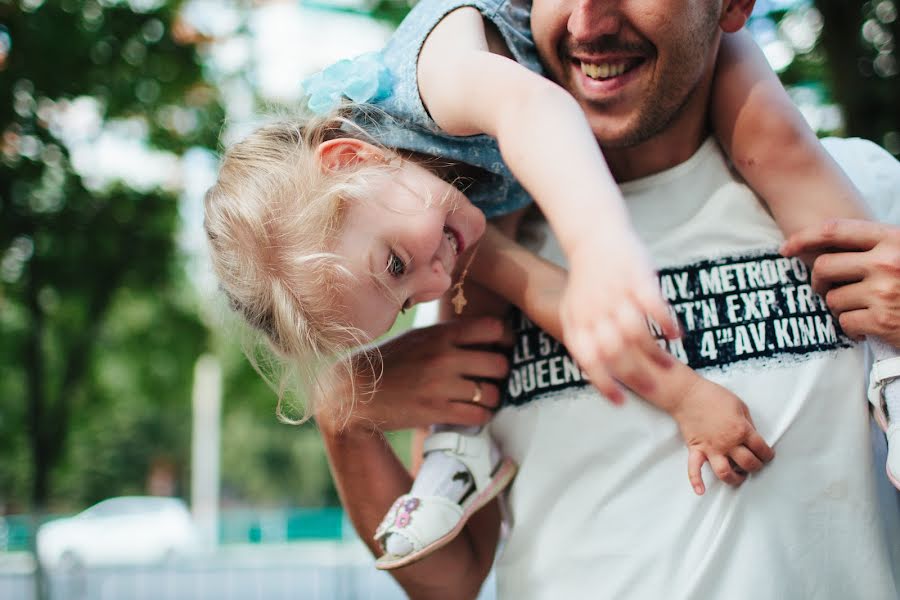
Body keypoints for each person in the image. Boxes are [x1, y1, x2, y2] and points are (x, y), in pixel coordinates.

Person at [315, 0, 900, 597]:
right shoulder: (471, 257)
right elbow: (450, 580)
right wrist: (343, 413)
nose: (587, 24)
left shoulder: (859, 196)